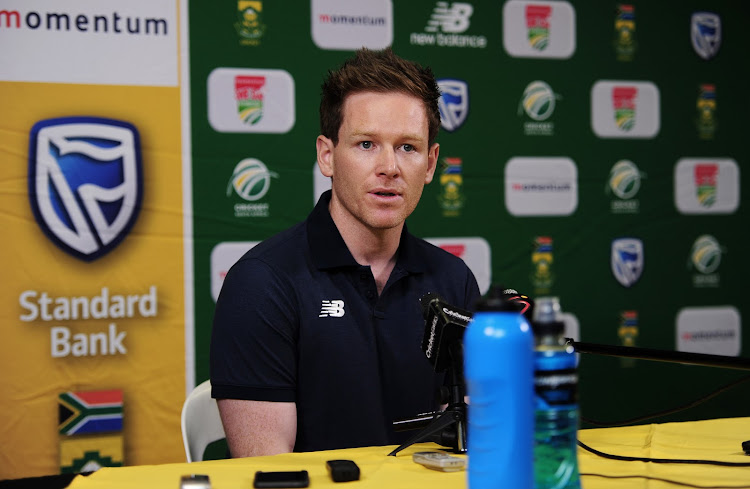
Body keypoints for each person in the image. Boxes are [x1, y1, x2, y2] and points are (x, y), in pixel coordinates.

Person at [210, 48, 481, 458]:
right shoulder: (262, 283)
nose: (389, 167)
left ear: (430, 163)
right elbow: (266, 471)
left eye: (408, 147)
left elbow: (469, 443)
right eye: (367, 144)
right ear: (327, 155)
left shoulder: (453, 279)